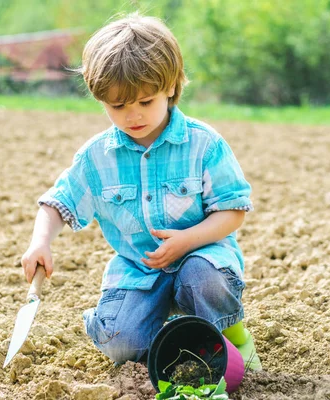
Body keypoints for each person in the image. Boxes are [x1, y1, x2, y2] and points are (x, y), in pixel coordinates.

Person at [21, 13, 261, 371]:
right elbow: (58, 203)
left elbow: (233, 210)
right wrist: (40, 241)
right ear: (99, 98)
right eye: (118, 106)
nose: (133, 115)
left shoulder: (203, 144)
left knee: (203, 281)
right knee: (121, 342)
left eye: (145, 102)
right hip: (139, 269)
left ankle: (234, 338)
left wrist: (186, 240)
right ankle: (167, 341)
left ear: (171, 87)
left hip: (201, 258)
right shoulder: (96, 158)